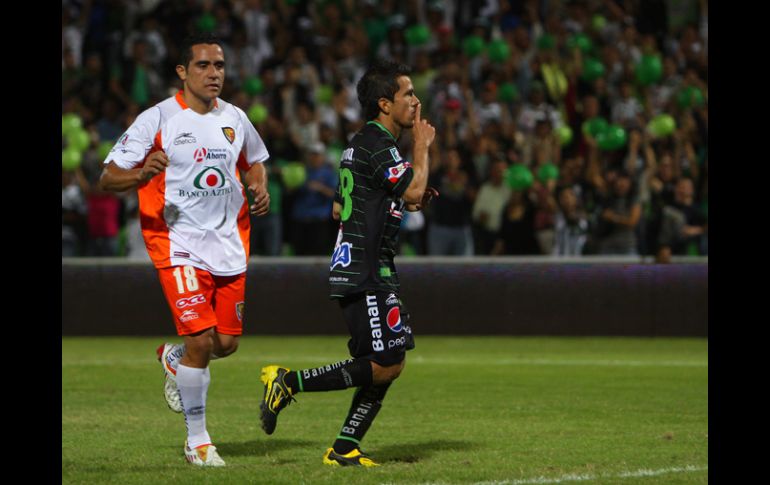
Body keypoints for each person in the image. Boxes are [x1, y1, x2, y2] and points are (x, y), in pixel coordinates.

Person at [98, 33, 271, 467]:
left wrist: (259, 185)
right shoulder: (156, 119)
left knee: (225, 344)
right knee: (200, 339)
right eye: (204, 66)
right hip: (177, 244)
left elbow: (256, 160)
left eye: (220, 66)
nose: (214, 74)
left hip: (229, 242)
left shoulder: (235, 117)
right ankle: (198, 441)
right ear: (182, 72)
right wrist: (139, 175)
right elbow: (107, 177)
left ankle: (176, 360)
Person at [258, 59, 437, 467]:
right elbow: (412, 188)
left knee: (389, 362)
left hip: (369, 265)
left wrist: (405, 196)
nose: (416, 101)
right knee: (384, 362)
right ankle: (287, 382)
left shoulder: (363, 144)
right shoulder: (377, 144)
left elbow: (345, 208)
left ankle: (344, 447)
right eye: (407, 94)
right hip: (365, 268)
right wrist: (422, 148)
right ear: (384, 104)